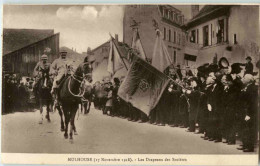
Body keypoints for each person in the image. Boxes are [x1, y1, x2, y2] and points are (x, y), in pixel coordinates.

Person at [237, 74, 258, 152]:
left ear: (249, 80)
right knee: (244, 129)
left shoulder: (252, 88)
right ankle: (245, 144)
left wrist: (249, 114)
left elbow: (252, 102)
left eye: (244, 78)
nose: (243, 79)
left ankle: (249, 147)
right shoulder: (246, 87)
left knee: (249, 130)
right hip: (244, 111)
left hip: (249, 112)